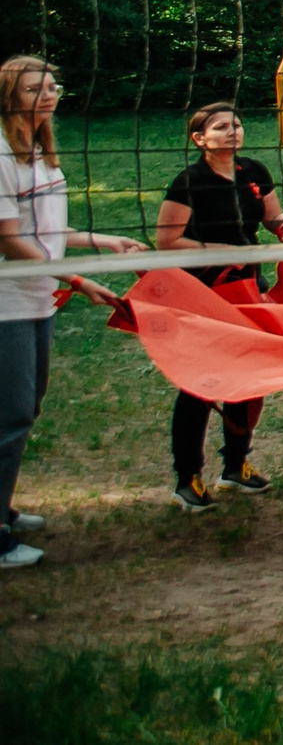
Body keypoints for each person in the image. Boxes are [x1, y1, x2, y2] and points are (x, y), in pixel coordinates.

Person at [0, 55, 143, 568]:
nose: (47, 94)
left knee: (25, 407)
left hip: (37, 296)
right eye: (34, 88)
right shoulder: (0, 153)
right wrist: (80, 280)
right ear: (10, 94)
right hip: (7, 302)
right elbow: (11, 243)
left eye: (52, 85)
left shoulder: (39, 152)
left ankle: (5, 510)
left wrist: (99, 239)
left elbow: (46, 232)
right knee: (10, 415)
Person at [157, 99, 283, 510]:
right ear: (200, 139)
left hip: (248, 286)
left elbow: (273, 220)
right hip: (204, 291)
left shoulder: (253, 172)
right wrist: (222, 250)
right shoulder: (189, 182)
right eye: (221, 127)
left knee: (246, 374)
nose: (232, 131)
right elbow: (167, 242)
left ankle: (235, 465)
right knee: (201, 383)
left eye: (236, 125)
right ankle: (187, 476)